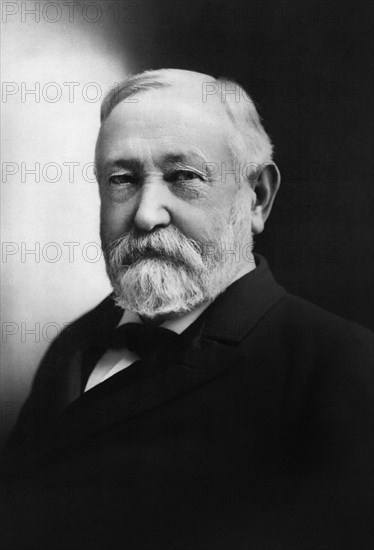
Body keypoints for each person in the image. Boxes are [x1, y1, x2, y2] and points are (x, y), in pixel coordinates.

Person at [2, 69, 373, 550]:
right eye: (123, 179)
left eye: (184, 177)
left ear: (257, 196)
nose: (145, 213)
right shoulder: (75, 343)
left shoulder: (344, 368)